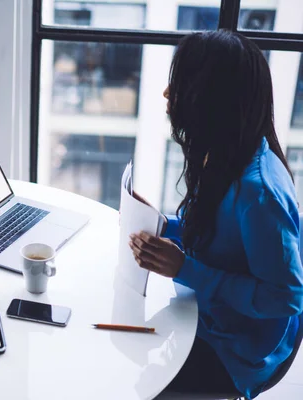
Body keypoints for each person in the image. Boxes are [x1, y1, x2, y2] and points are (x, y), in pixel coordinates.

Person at [129, 30, 303, 399]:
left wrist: (184, 268)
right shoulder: (224, 152)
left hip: (239, 350)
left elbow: (285, 298)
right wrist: (161, 226)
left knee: (129, 381)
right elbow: (221, 238)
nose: (167, 93)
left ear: (210, 99)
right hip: (212, 314)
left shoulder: (259, 193)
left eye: (180, 84)